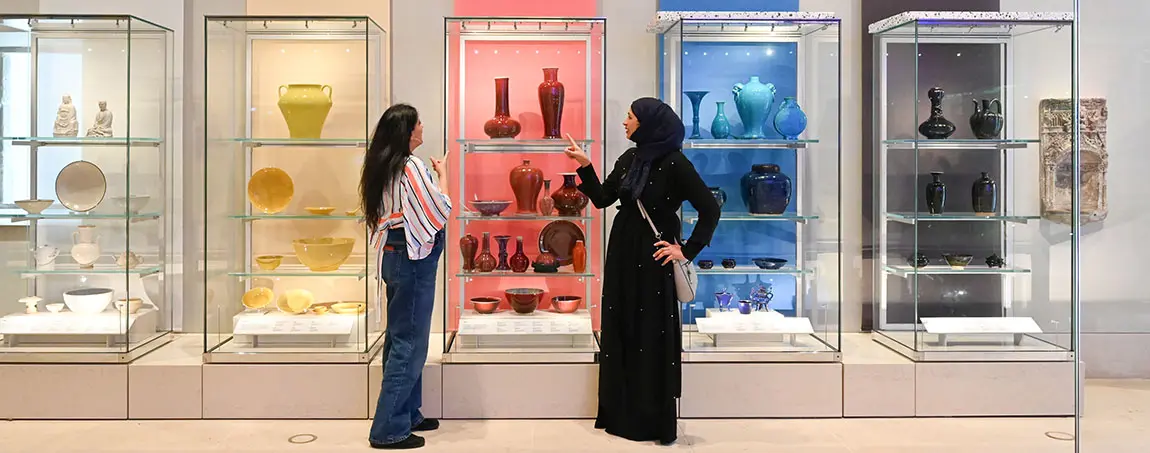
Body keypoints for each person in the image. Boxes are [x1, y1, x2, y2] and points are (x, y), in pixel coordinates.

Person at [564, 97, 720, 445]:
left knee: (650, 332)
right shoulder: (630, 159)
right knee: (621, 326)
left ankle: (651, 420)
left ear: (648, 124)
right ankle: (621, 413)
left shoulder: (675, 162)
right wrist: (585, 166)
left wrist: (687, 249)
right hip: (623, 253)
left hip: (654, 258)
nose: (624, 122)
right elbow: (605, 198)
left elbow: (710, 208)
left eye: (630, 117)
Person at [363, 104, 451, 450]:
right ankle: (388, 428)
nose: (423, 126)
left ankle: (408, 412)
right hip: (414, 256)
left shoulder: (383, 165)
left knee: (401, 337)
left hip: (394, 254)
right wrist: (443, 174)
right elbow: (439, 208)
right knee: (410, 342)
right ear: (407, 132)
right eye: (418, 123)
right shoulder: (411, 165)